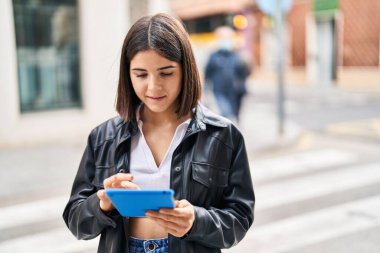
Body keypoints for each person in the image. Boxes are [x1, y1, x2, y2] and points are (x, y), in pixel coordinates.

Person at [63, 13, 255, 253]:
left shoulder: (224, 136)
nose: (153, 86)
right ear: (127, 74)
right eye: (141, 74)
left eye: (166, 73)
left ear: (186, 70)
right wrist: (102, 204)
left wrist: (196, 220)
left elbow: (240, 218)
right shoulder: (103, 138)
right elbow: (75, 220)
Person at [205, 26, 250, 122]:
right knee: (225, 112)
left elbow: (246, 72)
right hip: (219, 90)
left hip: (236, 90)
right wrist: (206, 88)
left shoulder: (238, 54)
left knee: (235, 112)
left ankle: (233, 127)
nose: (225, 41)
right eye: (222, 38)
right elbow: (208, 72)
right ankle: (228, 130)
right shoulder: (214, 55)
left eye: (227, 38)